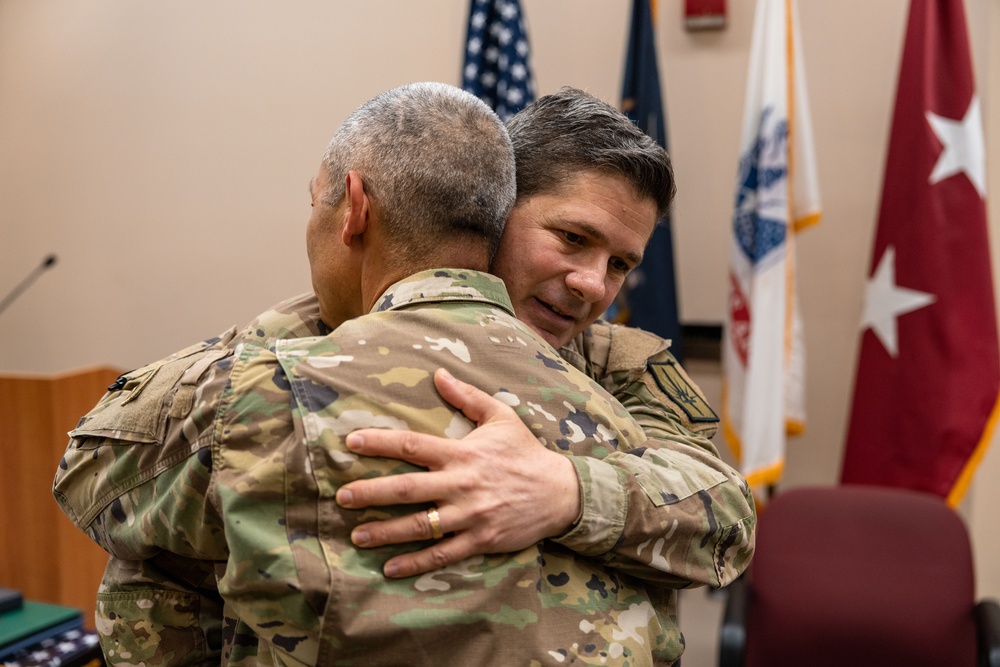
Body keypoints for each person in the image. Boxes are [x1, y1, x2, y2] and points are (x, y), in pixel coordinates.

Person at [53, 84, 754, 666]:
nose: (590, 285)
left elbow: (725, 519)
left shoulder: (618, 364)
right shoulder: (319, 340)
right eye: (572, 239)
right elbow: (112, 478)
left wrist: (567, 491)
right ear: (494, 209)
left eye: (620, 263)